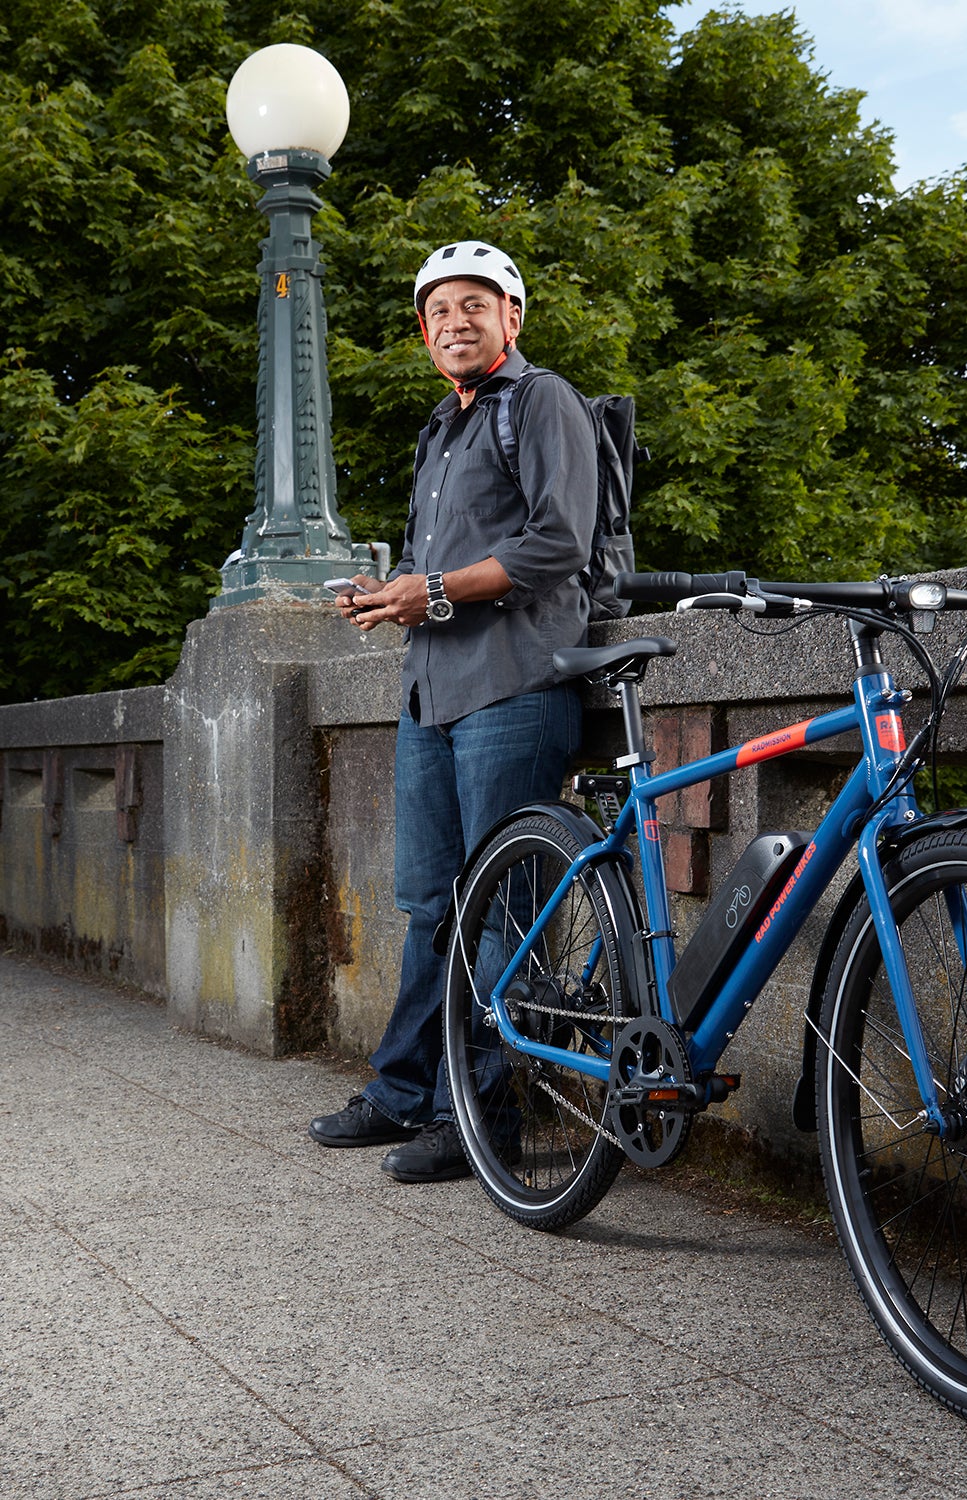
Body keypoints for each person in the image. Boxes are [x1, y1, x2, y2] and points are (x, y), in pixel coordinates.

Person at [308, 240, 596, 1182]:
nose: (454, 322)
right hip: (431, 694)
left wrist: (427, 592)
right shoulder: (443, 427)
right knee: (432, 905)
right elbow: (444, 574)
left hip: (514, 687)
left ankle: (479, 1120)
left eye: (476, 304)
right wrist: (392, 591)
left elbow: (558, 541)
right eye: (438, 312)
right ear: (425, 335)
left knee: (502, 910)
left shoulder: (542, 399)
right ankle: (402, 1093)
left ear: (513, 318)